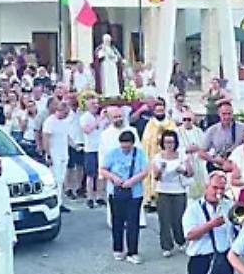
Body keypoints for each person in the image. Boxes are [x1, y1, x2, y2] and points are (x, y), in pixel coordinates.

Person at [100, 130, 150, 264]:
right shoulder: (113, 153)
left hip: (134, 192)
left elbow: (145, 171)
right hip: (116, 191)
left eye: (128, 147)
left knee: (133, 223)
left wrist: (132, 181)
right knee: (117, 221)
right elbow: (103, 169)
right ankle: (118, 249)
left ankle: (132, 251)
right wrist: (113, 177)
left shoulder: (139, 154)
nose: (125, 149)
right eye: (123, 147)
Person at [153, 129, 193, 257]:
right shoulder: (158, 157)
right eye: (166, 142)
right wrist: (162, 169)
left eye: (171, 142)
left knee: (179, 218)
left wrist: (184, 169)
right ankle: (166, 246)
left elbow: (191, 173)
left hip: (179, 190)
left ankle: (181, 241)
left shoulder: (182, 155)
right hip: (163, 190)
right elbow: (156, 177)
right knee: (164, 219)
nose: (169, 145)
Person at [141, 98, 177, 209]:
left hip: (167, 155)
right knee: (152, 177)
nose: (160, 113)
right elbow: (146, 139)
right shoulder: (150, 123)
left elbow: (175, 136)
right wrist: (155, 139)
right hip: (153, 154)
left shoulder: (170, 123)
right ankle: (150, 200)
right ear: (154, 112)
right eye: (158, 111)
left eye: (162, 111)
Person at [41, 101, 76, 213]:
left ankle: (59, 202)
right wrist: (48, 154)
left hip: (63, 153)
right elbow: (45, 138)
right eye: (64, 113)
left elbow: (67, 137)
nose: (65, 116)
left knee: (61, 179)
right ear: (59, 111)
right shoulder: (50, 122)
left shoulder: (65, 122)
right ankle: (54, 203)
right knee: (55, 179)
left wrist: (75, 146)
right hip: (54, 153)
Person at [198, 101, 244, 174]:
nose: (227, 117)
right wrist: (215, 160)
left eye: (229, 114)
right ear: (219, 114)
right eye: (224, 114)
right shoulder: (212, 130)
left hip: (236, 167)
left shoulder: (242, 128)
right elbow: (201, 152)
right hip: (218, 167)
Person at [80, 98, 105, 209]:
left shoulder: (100, 116)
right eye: (93, 103)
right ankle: (90, 197)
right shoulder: (85, 117)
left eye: (97, 103)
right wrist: (98, 122)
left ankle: (99, 196)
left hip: (101, 148)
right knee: (91, 175)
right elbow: (87, 130)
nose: (96, 105)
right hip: (90, 149)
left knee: (101, 174)